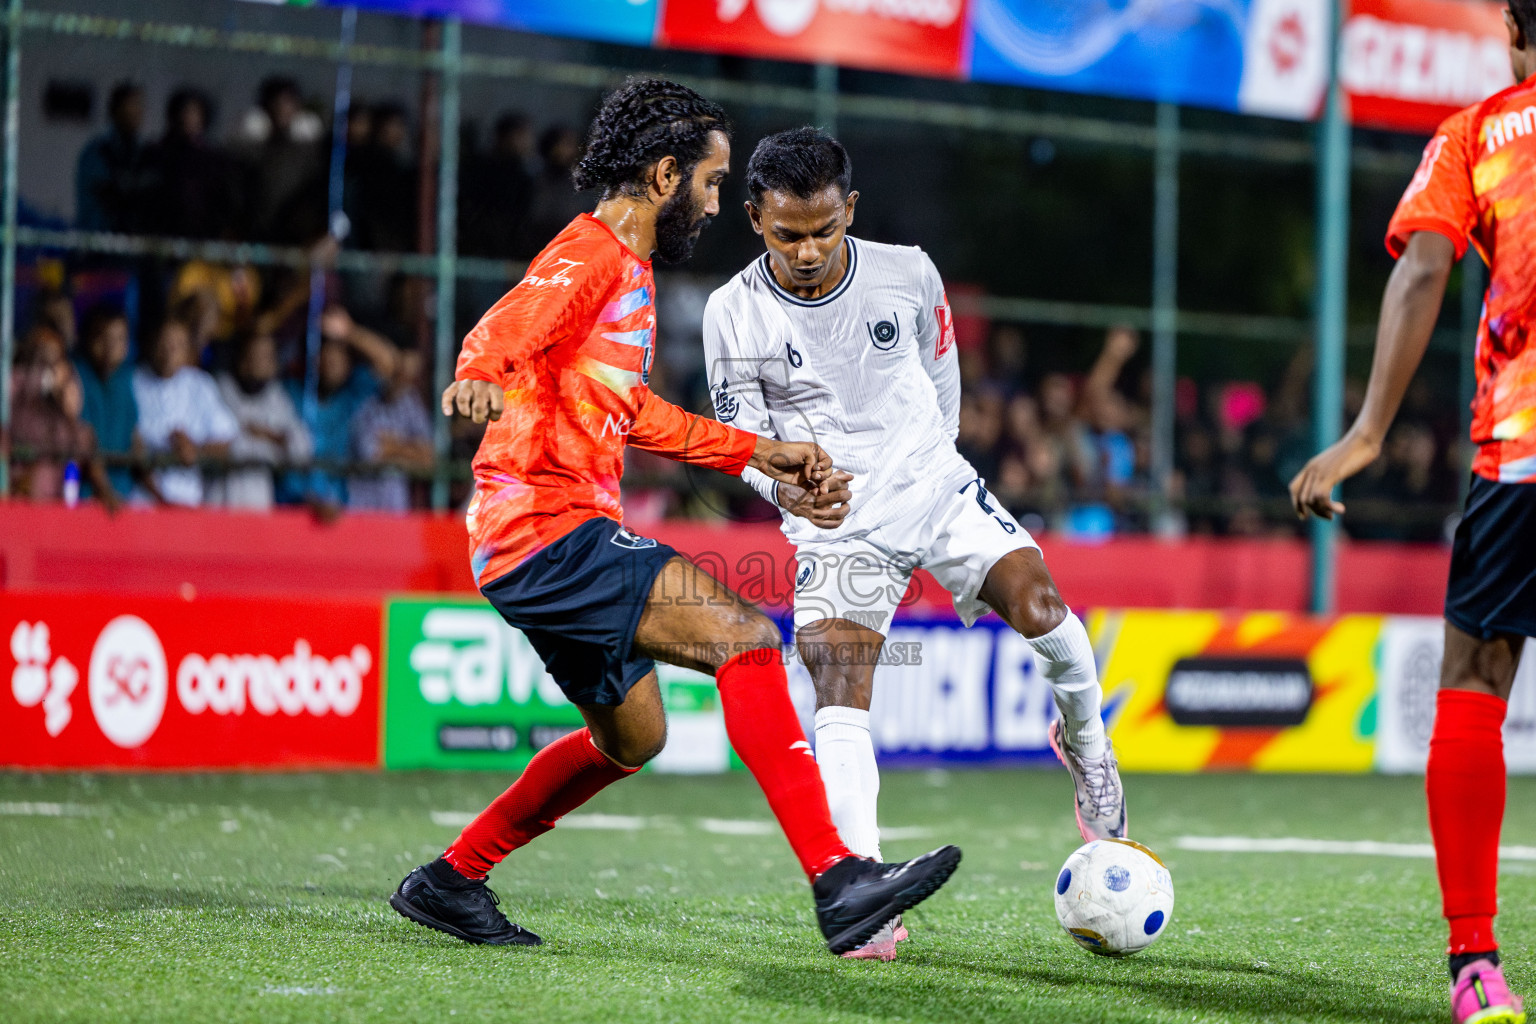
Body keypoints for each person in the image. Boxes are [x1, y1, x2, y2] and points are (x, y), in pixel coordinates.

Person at [387, 78, 961, 956]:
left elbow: (635, 413)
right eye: (709, 182)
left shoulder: (629, 269)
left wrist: (755, 452)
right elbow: (511, 323)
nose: (716, 201)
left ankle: (450, 880)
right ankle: (839, 880)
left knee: (631, 737)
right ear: (664, 175)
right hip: (548, 531)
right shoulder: (596, 256)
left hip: (533, 541)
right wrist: (478, 370)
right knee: (744, 637)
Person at [701, 127, 1118, 961]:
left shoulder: (909, 272)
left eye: (825, 228)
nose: (810, 249)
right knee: (840, 698)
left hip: (935, 490)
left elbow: (942, 385)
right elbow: (738, 437)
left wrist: (930, 468)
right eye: (788, 233)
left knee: (1053, 622)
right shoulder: (731, 311)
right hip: (835, 524)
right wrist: (786, 488)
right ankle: (866, 903)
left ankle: (1087, 745)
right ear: (754, 219)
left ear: (850, 209)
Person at [1289, 4, 1536, 1021]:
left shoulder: (1477, 134)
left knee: (1477, 676)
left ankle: (1474, 965)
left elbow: (1426, 264)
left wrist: (1369, 431)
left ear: (1517, 36)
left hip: (1523, 447)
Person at [131, 317, 238, 507]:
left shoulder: (200, 384)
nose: (169, 351)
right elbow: (132, 447)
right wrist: (162, 501)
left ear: (189, 351)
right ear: (151, 344)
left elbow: (226, 439)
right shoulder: (133, 382)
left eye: (177, 345)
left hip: (189, 501)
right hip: (141, 503)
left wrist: (194, 449)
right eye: (163, 343)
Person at [9, 324, 117, 507]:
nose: (46, 364)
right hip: (22, 494)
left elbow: (76, 421)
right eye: (40, 354)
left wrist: (60, 393)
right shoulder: (18, 381)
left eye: (53, 354)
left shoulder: (68, 376)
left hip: (60, 493)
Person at [214, 331, 311, 511]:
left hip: (257, 498)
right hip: (218, 496)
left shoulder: (276, 397)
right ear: (241, 359)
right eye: (253, 355)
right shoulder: (219, 388)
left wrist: (269, 436)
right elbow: (225, 443)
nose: (259, 362)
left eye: (266, 356)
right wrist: (269, 441)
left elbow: (302, 449)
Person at [347, 347, 432, 512]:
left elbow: (428, 459)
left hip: (395, 509)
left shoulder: (412, 403)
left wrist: (392, 446)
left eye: (410, 376)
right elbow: (369, 453)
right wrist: (410, 450)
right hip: (361, 508)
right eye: (400, 372)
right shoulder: (365, 398)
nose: (404, 379)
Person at [73, 303, 139, 499]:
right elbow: (84, 441)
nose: (111, 347)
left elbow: (134, 437)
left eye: (119, 339)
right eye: (103, 337)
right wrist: (106, 492)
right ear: (87, 338)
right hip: (85, 496)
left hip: (123, 494)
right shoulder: (77, 375)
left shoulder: (126, 379)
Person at [75, 82, 152, 233]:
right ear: (116, 109)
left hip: (134, 245)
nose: (138, 112)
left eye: (140, 105)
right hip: (100, 241)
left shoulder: (144, 152)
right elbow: (105, 193)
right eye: (132, 105)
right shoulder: (97, 150)